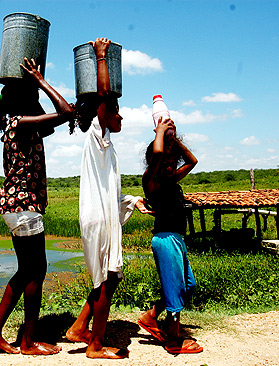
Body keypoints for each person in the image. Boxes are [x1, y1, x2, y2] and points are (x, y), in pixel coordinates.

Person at [65, 38, 151, 359]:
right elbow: (102, 99)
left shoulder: (107, 146)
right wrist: (101, 58)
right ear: (107, 113)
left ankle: (79, 327)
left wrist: (133, 202)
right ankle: (96, 345)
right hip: (98, 220)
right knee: (104, 280)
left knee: (111, 276)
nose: (122, 118)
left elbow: (108, 191)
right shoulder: (96, 135)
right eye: (118, 112)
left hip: (103, 215)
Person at [0, 58, 73, 355]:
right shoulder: (18, 123)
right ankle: (28, 340)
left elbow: (56, 121)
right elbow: (66, 112)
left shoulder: (26, 126)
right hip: (22, 204)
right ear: (23, 103)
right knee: (36, 271)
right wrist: (41, 81)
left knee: (28, 270)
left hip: (20, 205)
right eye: (32, 98)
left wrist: (35, 90)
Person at [137, 115, 203, 354]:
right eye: (166, 162)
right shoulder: (151, 182)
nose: (170, 166)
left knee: (188, 285)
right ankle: (173, 341)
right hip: (165, 240)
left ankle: (151, 316)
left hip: (176, 239)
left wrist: (174, 140)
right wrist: (160, 134)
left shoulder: (172, 180)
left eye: (173, 162)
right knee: (175, 289)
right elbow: (157, 156)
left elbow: (192, 160)